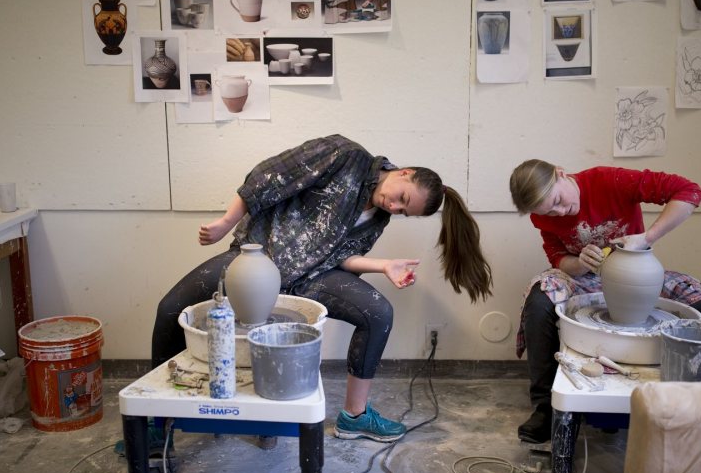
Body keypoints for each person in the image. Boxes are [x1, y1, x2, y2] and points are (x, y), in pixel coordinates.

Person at [153, 134, 493, 443]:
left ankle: (354, 417)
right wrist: (226, 222)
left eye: (404, 211)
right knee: (171, 308)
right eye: (402, 198)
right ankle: (155, 422)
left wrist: (384, 265)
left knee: (377, 312)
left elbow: (344, 258)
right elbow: (266, 178)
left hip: (312, 277)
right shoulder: (344, 155)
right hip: (258, 260)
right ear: (403, 172)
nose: (395, 207)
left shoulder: (379, 217)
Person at [508, 160, 701, 444]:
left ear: (561, 173)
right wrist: (579, 262)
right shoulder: (543, 217)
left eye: (558, 201)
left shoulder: (608, 180)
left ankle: (690, 405)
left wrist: (647, 237)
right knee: (539, 300)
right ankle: (546, 405)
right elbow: (558, 259)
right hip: (588, 279)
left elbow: (688, 191)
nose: (559, 212)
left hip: (634, 272)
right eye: (550, 211)